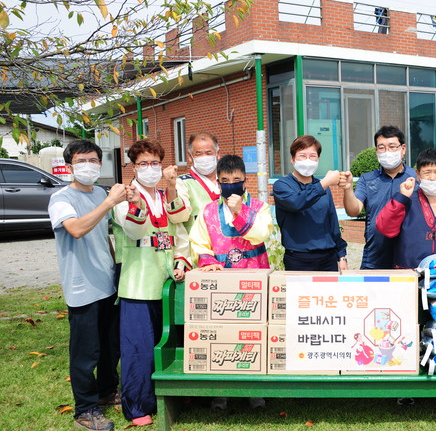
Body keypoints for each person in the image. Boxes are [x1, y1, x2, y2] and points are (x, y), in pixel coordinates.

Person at [48, 139, 126, 431]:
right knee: (86, 352)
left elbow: (103, 236)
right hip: (82, 287)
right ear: (70, 166)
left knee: (109, 347)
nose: (88, 166)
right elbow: (77, 229)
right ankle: (85, 409)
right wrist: (109, 203)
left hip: (106, 282)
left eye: (93, 160)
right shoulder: (61, 199)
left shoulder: (100, 193)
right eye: (81, 161)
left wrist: (115, 265)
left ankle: (107, 391)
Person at [112, 140, 190, 426]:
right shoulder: (124, 195)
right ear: (133, 167)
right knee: (139, 347)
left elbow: (180, 223)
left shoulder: (164, 193)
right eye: (143, 163)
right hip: (138, 282)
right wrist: (135, 204)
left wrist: (181, 260)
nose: (150, 168)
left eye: (155, 162)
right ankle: (137, 405)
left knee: (167, 343)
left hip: (167, 279)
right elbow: (134, 231)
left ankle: (170, 396)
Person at [375, 148, 436, 269]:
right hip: (408, 272)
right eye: (427, 172)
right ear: (418, 175)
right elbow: (385, 228)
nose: (432, 178)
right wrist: (401, 198)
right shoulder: (405, 201)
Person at [339, 126, 417, 269]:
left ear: (403, 149)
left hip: (408, 257)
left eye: (392, 147)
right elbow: (353, 211)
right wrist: (348, 189)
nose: (387, 152)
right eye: (381, 148)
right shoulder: (367, 179)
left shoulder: (416, 178)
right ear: (376, 151)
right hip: (374, 257)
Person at [273, 135, 348, 271]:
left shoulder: (324, 188)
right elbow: (296, 203)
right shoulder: (282, 185)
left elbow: (332, 222)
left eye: (313, 156)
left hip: (328, 258)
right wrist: (325, 182)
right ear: (292, 159)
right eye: (302, 155)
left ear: (318, 159)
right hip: (298, 259)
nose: (308, 160)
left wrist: (341, 255)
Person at [190, 154, 273, 270]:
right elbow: (199, 242)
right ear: (218, 184)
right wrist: (209, 262)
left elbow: (262, 234)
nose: (230, 184)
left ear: (245, 182)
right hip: (221, 274)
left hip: (254, 275)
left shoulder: (260, 208)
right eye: (225, 181)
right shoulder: (207, 212)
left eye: (236, 180)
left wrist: (240, 210)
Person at [176, 132, 221, 233]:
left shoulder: (229, 180)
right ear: (190, 156)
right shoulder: (182, 183)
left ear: (218, 154)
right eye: (199, 154)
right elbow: (178, 217)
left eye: (209, 153)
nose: (204, 157)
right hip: (196, 242)